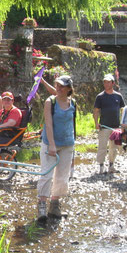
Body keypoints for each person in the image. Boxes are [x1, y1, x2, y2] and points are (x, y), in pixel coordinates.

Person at [36, 76, 76, 222]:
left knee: (62, 177)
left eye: (62, 86)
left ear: (69, 89)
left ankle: (54, 205)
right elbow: (48, 124)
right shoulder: (50, 102)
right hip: (50, 143)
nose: (59, 88)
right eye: (57, 85)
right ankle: (41, 204)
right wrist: (52, 144)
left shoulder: (73, 103)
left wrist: (73, 145)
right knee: (46, 174)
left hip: (67, 144)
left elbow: (72, 125)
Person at [93, 74, 125, 174]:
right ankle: (101, 166)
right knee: (102, 146)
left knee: (114, 148)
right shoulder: (100, 96)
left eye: (108, 82)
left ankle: (111, 165)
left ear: (113, 83)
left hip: (116, 126)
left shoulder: (118, 96)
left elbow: (122, 110)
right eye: (105, 82)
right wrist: (96, 123)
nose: (106, 84)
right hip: (104, 126)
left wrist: (123, 124)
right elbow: (96, 111)